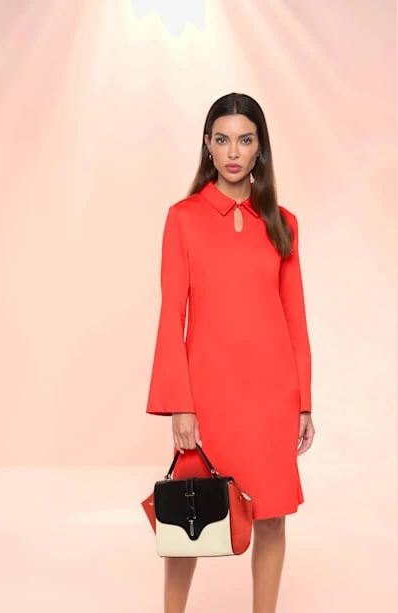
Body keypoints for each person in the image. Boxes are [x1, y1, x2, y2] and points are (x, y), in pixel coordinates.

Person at [145, 92, 315, 613]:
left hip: (272, 399)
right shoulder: (183, 218)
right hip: (209, 398)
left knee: (272, 518)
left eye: (245, 140)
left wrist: (303, 403)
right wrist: (180, 404)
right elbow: (171, 315)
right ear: (208, 145)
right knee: (190, 519)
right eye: (223, 140)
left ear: (260, 147)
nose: (234, 152)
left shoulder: (282, 222)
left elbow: (295, 320)